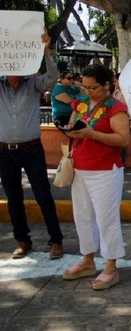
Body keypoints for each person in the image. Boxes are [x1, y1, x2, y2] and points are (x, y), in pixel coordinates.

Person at [61, 65, 131, 291]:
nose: (88, 91)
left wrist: (93, 134)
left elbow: (123, 139)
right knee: (82, 216)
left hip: (104, 170)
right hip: (79, 167)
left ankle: (111, 266)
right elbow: (73, 123)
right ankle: (88, 260)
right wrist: (70, 130)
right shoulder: (80, 103)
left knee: (106, 219)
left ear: (106, 85)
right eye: (85, 86)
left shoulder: (115, 108)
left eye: (93, 87)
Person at [0, 30, 64, 260]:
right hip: (5, 152)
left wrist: (46, 50)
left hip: (32, 149)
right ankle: (22, 240)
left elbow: (53, 76)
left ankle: (55, 241)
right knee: (13, 198)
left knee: (43, 195)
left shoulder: (33, 84)